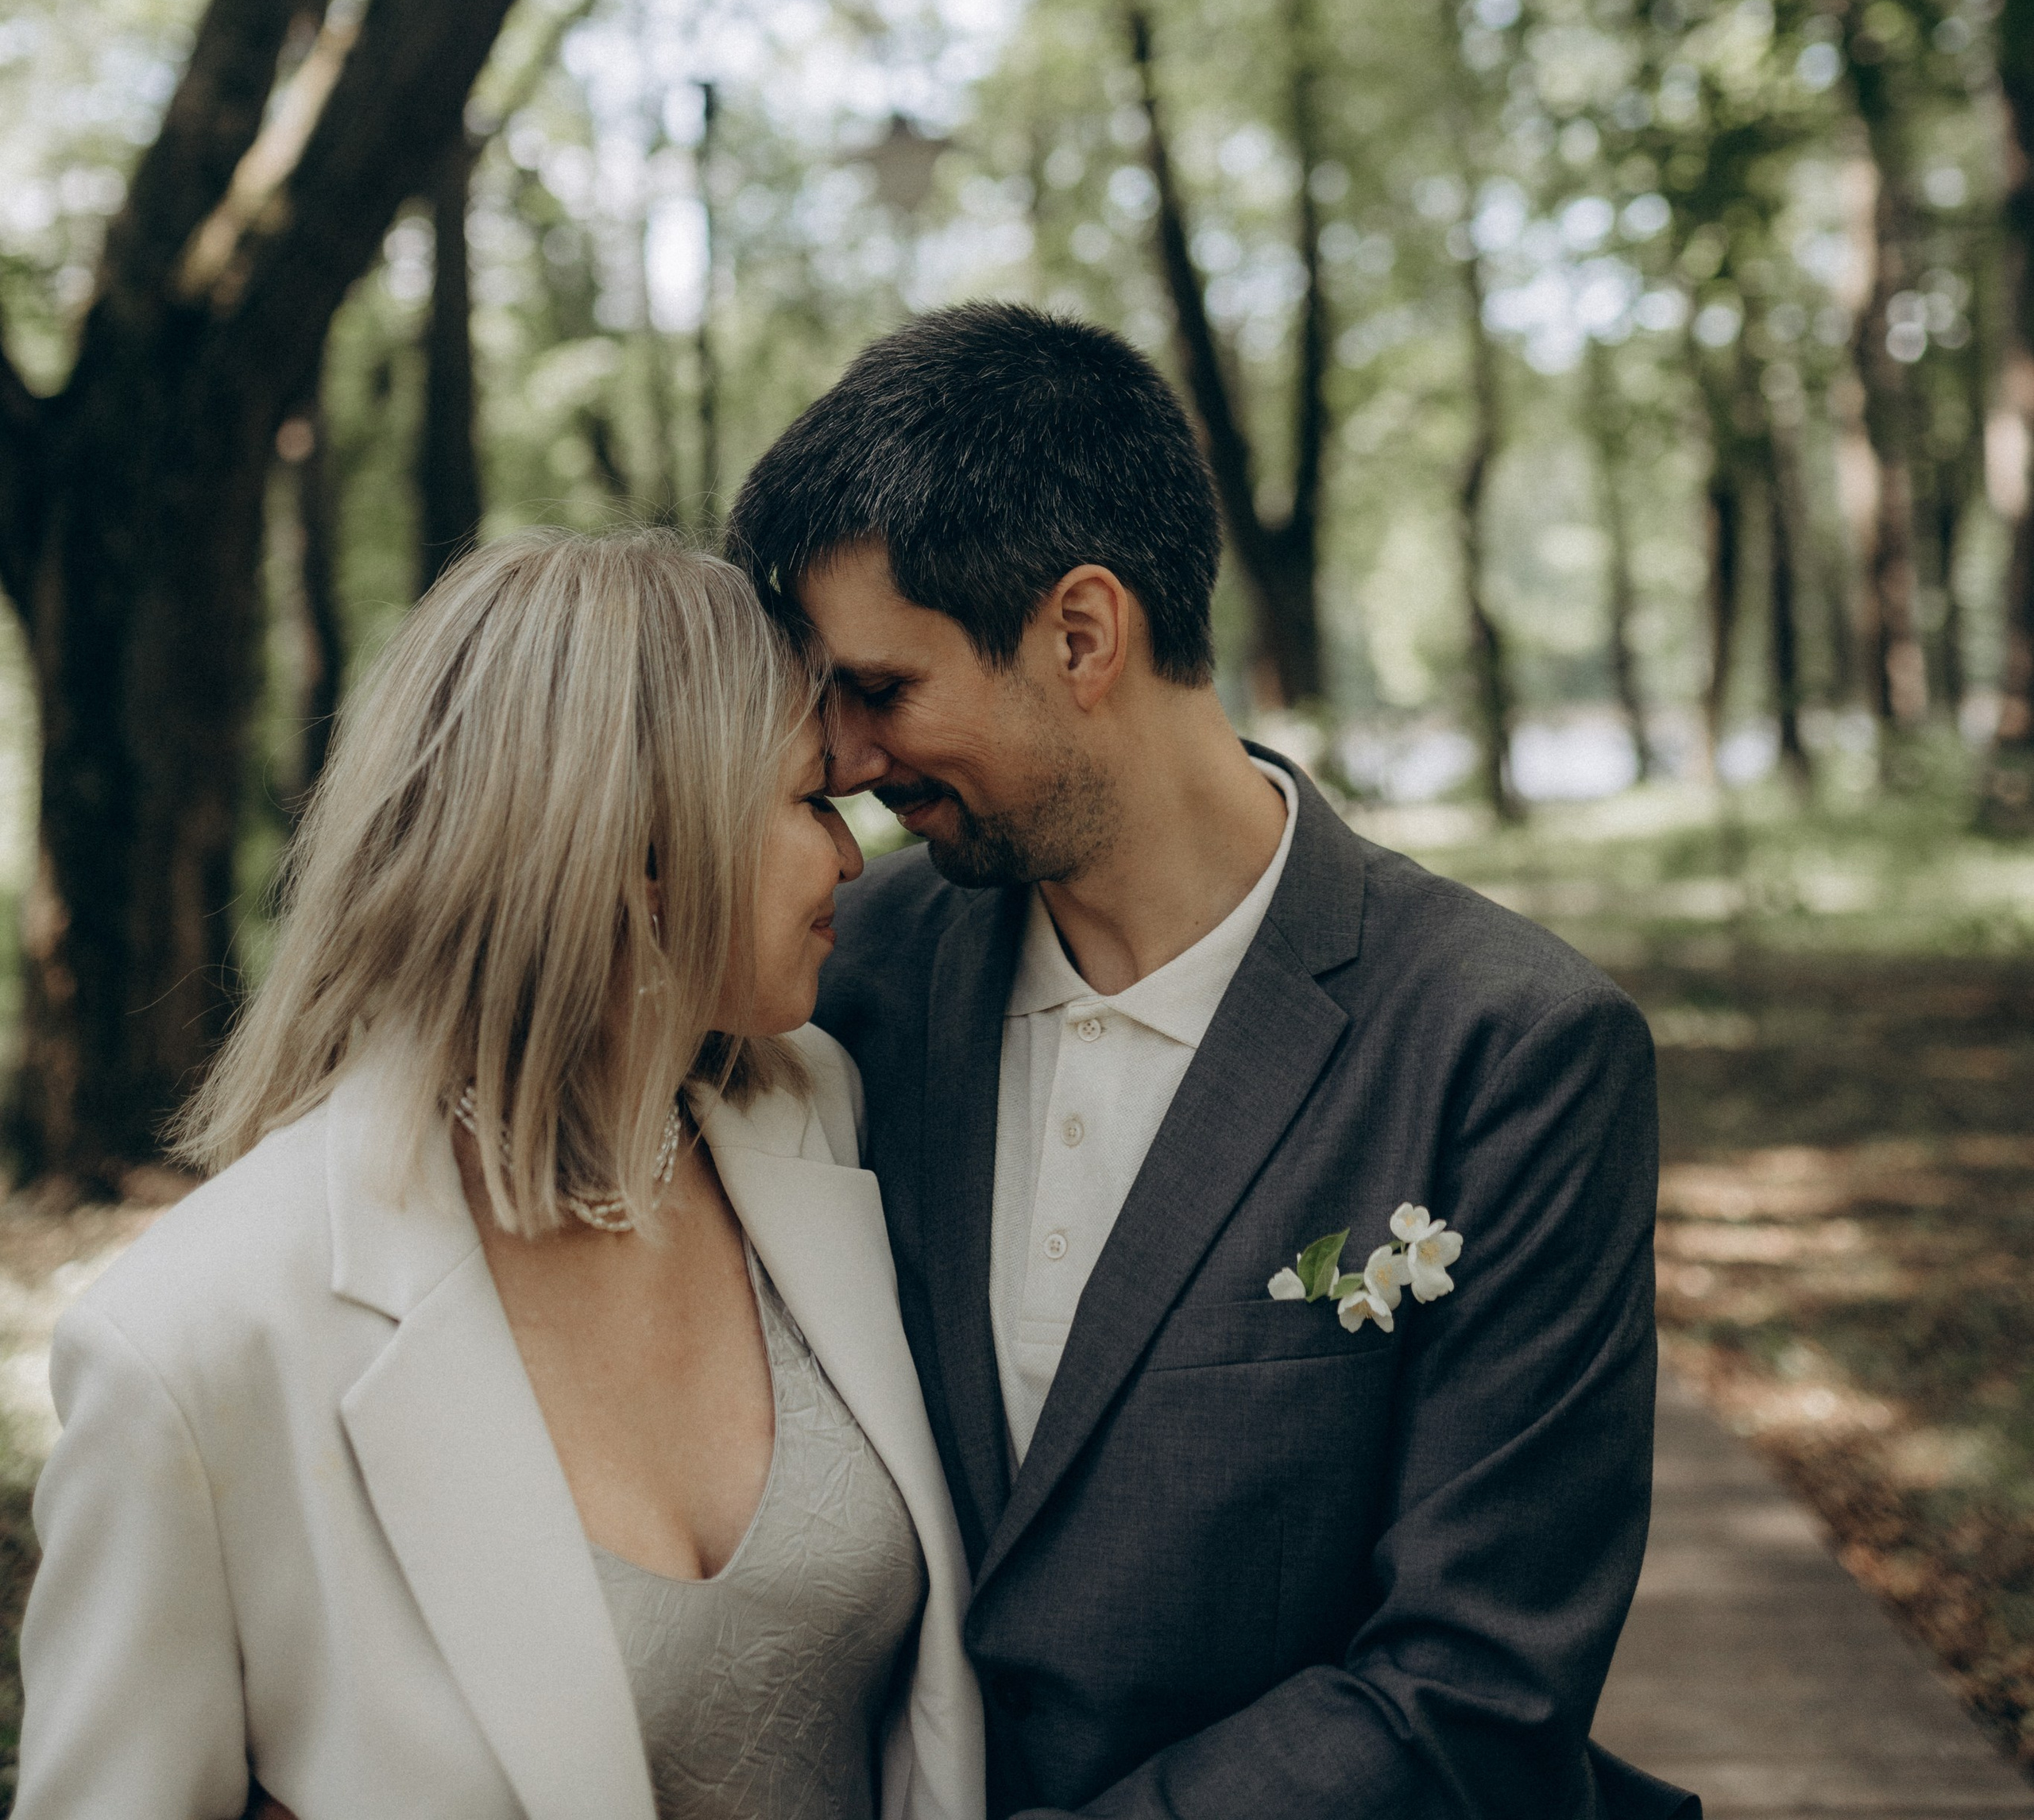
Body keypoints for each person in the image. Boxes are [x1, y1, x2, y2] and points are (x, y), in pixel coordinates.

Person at [728, 303, 1699, 1820]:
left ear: (1080, 634)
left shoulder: (1511, 1049)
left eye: (882, 689)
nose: (845, 761)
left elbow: (1479, 1682)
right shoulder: (852, 980)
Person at [17, 530, 984, 1820]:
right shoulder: (193, 1345)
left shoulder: (813, 1115)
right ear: (649, 848)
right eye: (812, 802)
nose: (855, 859)